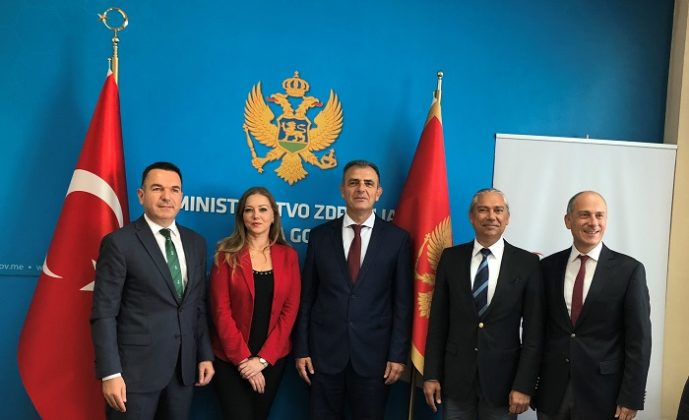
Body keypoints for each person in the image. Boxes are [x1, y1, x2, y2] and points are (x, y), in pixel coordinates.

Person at [90, 161, 214, 419]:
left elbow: (198, 306)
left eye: (174, 190)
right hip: (133, 375)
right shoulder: (119, 243)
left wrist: (205, 355)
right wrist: (110, 373)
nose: (167, 196)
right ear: (141, 195)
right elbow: (104, 313)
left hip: (183, 372)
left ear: (182, 197)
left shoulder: (196, 243)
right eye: (157, 188)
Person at [293, 159, 413, 419]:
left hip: (375, 358)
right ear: (343, 190)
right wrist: (302, 349)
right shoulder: (319, 236)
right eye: (354, 183)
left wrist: (397, 355)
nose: (361, 189)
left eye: (368, 184)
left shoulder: (397, 240)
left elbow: (402, 304)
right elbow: (307, 298)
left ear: (378, 192)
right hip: (323, 355)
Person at [423, 188, 543, 419]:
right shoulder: (450, 258)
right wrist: (431, 375)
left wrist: (524, 385)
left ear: (507, 217)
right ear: (471, 216)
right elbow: (438, 323)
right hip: (456, 381)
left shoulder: (527, 263)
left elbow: (534, 332)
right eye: (483, 210)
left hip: (504, 384)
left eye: (498, 210)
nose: (491, 216)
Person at [535, 191, 652, 420]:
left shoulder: (629, 270)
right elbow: (538, 331)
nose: (593, 222)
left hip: (604, 395)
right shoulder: (547, 267)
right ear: (568, 220)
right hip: (553, 392)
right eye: (584, 215)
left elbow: (639, 340)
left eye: (600, 215)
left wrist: (632, 396)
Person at [209, 186, 301, 419]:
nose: (256, 216)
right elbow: (220, 311)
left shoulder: (288, 256)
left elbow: (290, 311)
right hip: (230, 360)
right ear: (242, 217)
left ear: (273, 216)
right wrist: (243, 361)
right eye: (249, 210)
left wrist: (262, 360)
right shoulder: (226, 254)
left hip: (272, 359)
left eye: (262, 209)